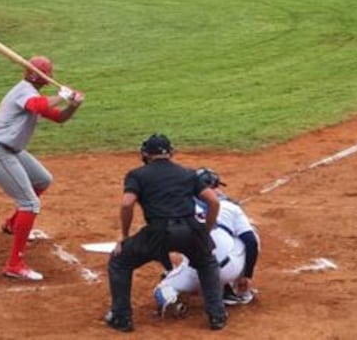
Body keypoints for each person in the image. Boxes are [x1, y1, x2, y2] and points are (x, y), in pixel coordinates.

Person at [105, 134, 227, 333]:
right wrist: (205, 232)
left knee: (120, 261)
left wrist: (124, 235)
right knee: (207, 263)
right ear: (171, 153)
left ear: (145, 154)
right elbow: (213, 201)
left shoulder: (137, 175)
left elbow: (127, 203)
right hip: (190, 228)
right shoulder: (187, 173)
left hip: (158, 232)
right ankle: (217, 316)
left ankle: (121, 318)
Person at [0, 56, 84, 281]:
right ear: (44, 78)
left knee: (42, 179)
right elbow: (38, 106)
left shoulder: (31, 91)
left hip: (10, 150)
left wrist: (72, 105)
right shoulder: (24, 91)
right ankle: (14, 264)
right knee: (30, 203)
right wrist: (63, 95)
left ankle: (12, 224)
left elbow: (59, 117)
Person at [153, 168, 260, 319]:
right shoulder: (230, 207)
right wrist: (248, 275)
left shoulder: (180, 208)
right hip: (228, 269)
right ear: (212, 187)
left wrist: (171, 270)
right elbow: (251, 242)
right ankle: (240, 291)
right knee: (249, 233)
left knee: (162, 288)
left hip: (194, 272)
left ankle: (172, 298)